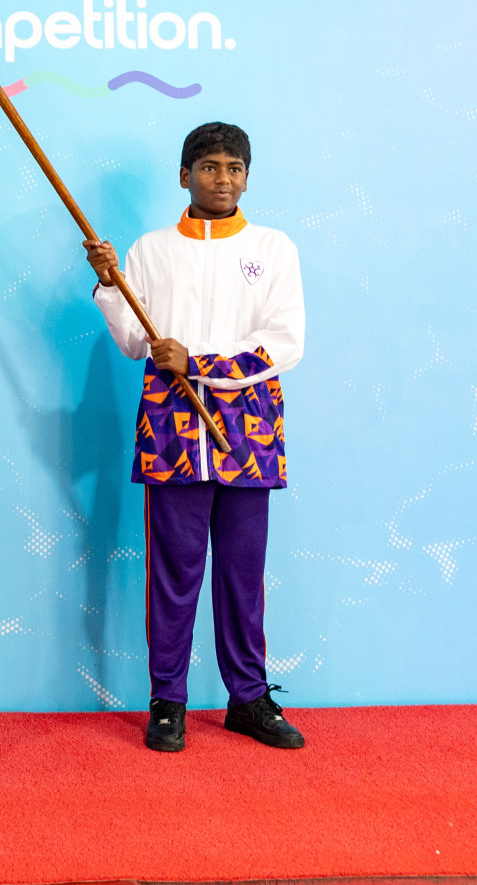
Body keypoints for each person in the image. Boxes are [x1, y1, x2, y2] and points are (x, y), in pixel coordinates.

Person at [84, 122, 306, 754]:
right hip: (172, 432)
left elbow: (285, 342)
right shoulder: (152, 250)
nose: (222, 179)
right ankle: (167, 701)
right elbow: (135, 342)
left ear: (247, 178)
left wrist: (201, 362)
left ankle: (249, 698)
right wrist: (110, 286)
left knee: (243, 574)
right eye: (209, 167)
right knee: (173, 574)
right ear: (185, 176)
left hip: (248, 433)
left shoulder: (273, 248)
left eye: (235, 168)